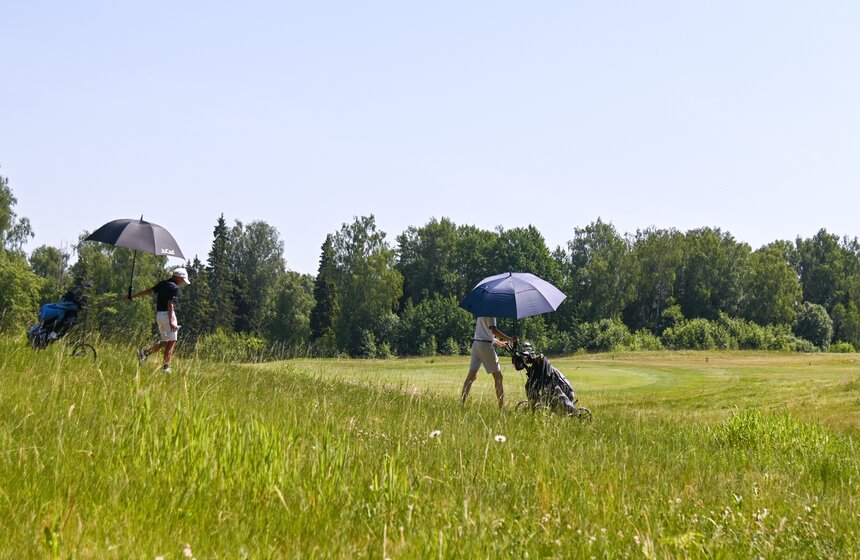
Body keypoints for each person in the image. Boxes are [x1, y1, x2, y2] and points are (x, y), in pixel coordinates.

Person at [126, 267, 190, 373]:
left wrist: (132, 296)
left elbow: (148, 291)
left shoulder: (163, 283)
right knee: (171, 342)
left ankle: (145, 353)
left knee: (165, 342)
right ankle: (166, 367)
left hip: (159, 315)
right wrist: (171, 321)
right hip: (167, 315)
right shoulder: (175, 288)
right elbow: (170, 304)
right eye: (183, 280)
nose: (183, 282)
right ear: (179, 277)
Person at [461, 316, 517, 409]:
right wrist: (510, 339)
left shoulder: (481, 314)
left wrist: (500, 343)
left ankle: (462, 404)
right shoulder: (491, 314)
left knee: (471, 376)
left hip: (476, 344)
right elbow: (493, 331)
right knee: (498, 377)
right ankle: (502, 407)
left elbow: (485, 334)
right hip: (485, 346)